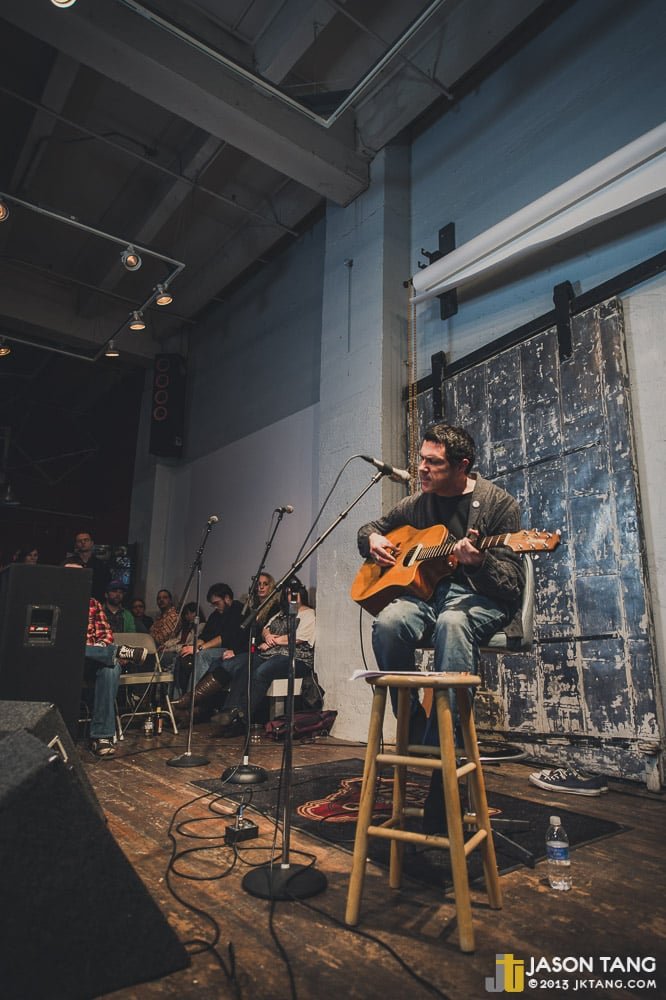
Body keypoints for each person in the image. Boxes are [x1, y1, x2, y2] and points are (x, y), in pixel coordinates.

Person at [357, 423, 525, 830]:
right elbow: (371, 529)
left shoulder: (498, 504)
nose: (421, 469)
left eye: (433, 462)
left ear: (461, 466)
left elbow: (512, 584)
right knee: (389, 622)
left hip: (479, 602)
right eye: (421, 460)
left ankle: (441, 763)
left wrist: (479, 563)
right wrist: (371, 542)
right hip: (426, 599)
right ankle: (413, 720)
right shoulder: (418, 503)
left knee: (452, 622)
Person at [177, 578, 316, 734]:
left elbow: (299, 637)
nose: (291, 597)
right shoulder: (282, 612)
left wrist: (274, 641)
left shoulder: (309, 613)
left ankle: (241, 717)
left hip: (294, 657)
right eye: (288, 594)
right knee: (239, 664)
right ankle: (213, 707)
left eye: (293, 593)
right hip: (270, 652)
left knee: (261, 671)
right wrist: (268, 635)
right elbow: (266, 628)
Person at [175, 583, 244, 691]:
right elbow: (205, 636)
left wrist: (199, 649)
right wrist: (192, 647)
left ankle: (190, 699)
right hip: (214, 648)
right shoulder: (215, 615)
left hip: (231, 649)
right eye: (213, 604)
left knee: (203, 655)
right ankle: (175, 700)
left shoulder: (238, 609)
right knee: (182, 654)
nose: (215, 607)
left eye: (217, 603)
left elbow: (225, 637)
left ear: (226, 598)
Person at [65, 531, 109, 600]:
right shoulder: (67, 563)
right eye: (79, 541)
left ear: (92, 543)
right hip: (72, 599)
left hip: (95, 602)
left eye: (86, 540)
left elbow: (106, 586)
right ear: (76, 544)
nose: (83, 542)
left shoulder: (101, 565)